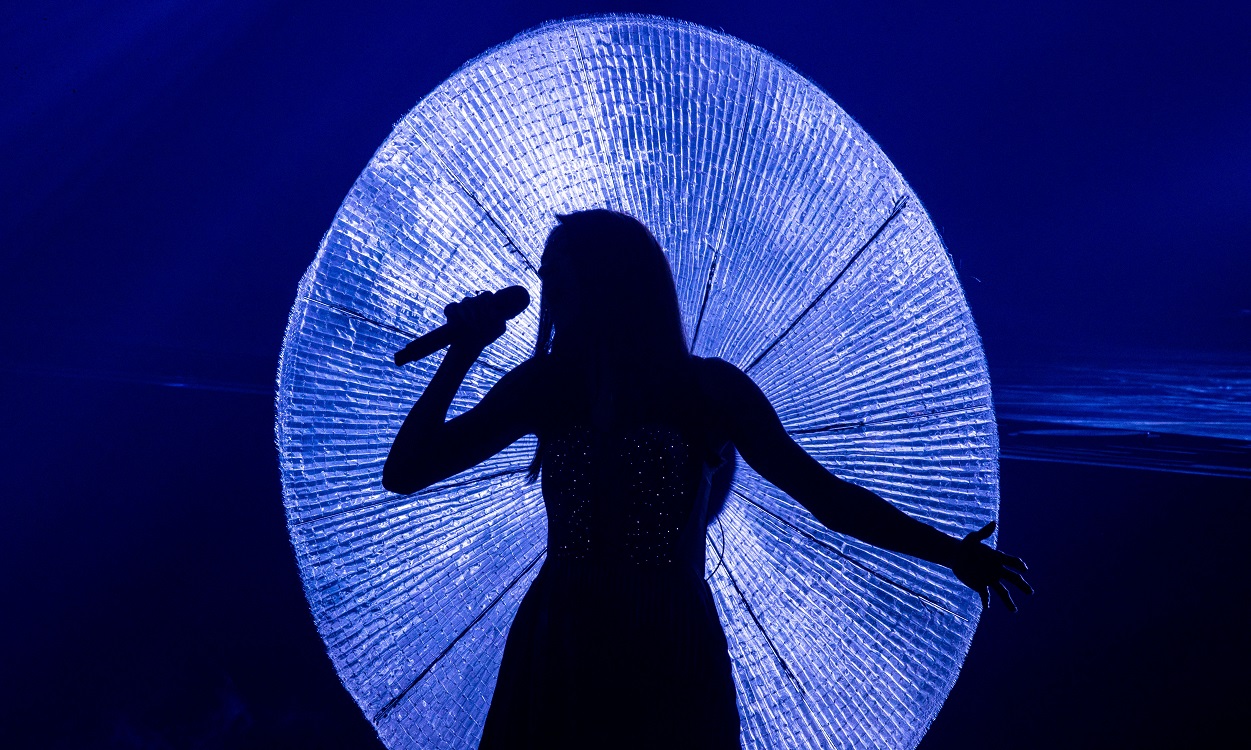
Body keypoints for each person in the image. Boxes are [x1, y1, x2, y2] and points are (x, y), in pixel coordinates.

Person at [383, 209, 1031, 749]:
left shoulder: (706, 390)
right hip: (564, 643)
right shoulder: (547, 386)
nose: (547, 293)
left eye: (559, 276)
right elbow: (407, 471)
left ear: (609, 281)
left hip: (659, 641)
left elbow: (824, 496)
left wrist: (950, 553)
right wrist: (463, 351)